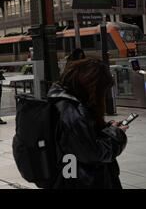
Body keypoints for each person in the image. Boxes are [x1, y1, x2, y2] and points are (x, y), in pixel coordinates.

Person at [48, 58, 128, 188]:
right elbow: (93, 153)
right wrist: (117, 134)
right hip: (85, 182)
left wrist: (107, 129)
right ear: (92, 87)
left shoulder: (63, 102)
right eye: (102, 90)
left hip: (71, 178)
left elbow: (82, 141)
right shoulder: (71, 112)